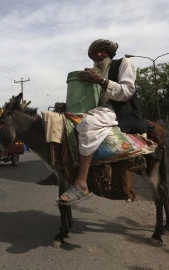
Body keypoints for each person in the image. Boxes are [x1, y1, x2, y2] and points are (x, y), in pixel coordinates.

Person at [58, 39, 146, 204]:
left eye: (102, 51)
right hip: (100, 110)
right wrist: (67, 105)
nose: (98, 54)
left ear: (110, 53)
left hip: (119, 110)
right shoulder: (95, 72)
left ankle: (82, 183)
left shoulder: (123, 63)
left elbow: (127, 92)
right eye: (95, 53)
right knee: (65, 121)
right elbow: (89, 100)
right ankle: (65, 169)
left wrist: (101, 81)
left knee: (87, 124)